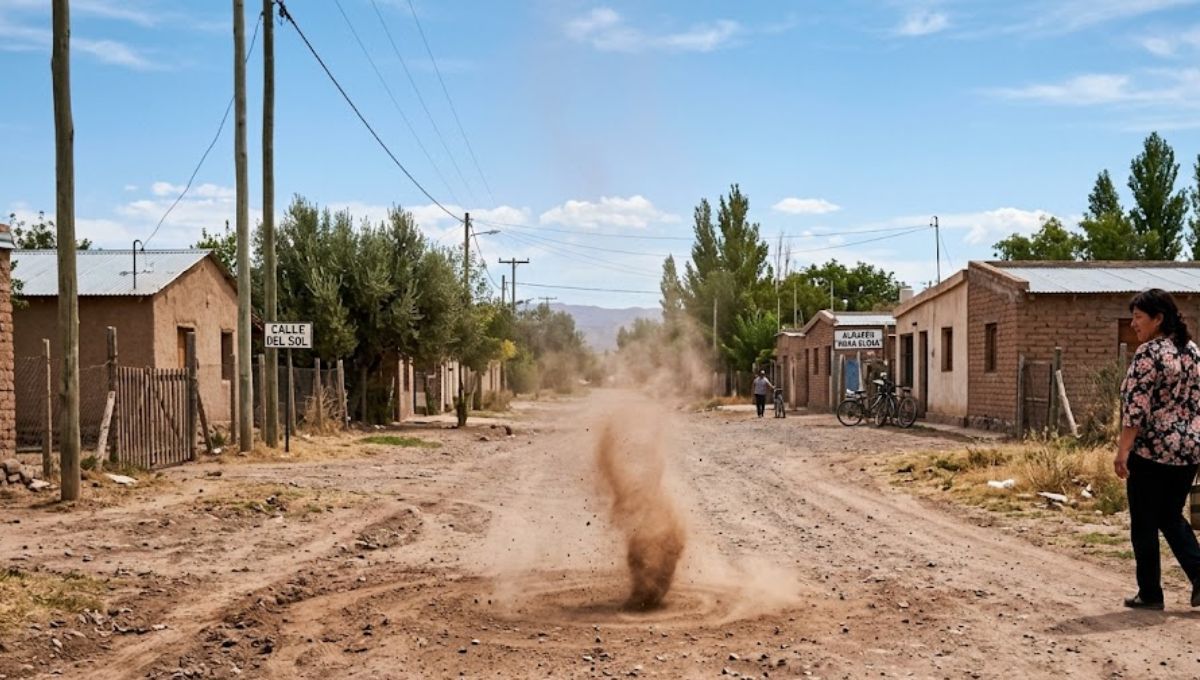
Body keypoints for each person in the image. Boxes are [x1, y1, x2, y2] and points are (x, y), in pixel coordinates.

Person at [1115, 288, 1200, 610]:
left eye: (1138, 317)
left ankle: (1150, 593)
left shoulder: (1149, 354)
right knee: (1169, 515)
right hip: (1189, 449)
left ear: (1158, 318)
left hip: (1153, 450)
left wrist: (1123, 451)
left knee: (1144, 521)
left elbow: (1136, 408)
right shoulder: (1192, 351)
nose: (1133, 323)